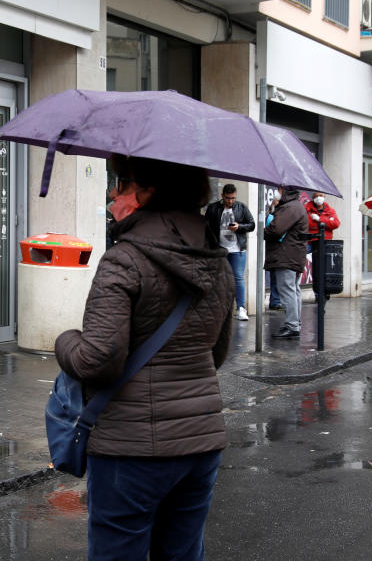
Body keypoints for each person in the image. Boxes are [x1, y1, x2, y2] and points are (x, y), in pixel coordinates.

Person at [55, 155, 234, 561]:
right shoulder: (217, 261)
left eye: (121, 183)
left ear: (147, 192)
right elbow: (216, 353)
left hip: (130, 449)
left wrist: (64, 340)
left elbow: (96, 360)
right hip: (201, 440)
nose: (114, 193)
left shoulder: (124, 260)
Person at [205, 184, 255, 320]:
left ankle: (240, 308)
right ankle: (219, 308)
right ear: (222, 196)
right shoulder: (213, 208)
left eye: (233, 198)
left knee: (238, 278)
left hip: (237, 249)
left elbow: (252, 224)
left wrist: (239, 227)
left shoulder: (241, 207)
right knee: (219, 278)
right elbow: (206, 226)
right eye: (228, 198)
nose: (231, 201)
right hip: (219, 249)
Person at [265, 186, 309, 339]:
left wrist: (264, 229)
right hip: (293, 255)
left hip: (286, 255)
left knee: (287, 290)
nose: (277, 191)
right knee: (294, 289)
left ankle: (292, 325)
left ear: (286, 191)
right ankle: (295, 323)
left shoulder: (290, 208)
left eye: (279, 189)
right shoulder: (295, 206)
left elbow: (276, 229)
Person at [305, 192, 340, 302]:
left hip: (325, 242)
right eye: (315, 196)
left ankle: (325, 291)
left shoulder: (330, 210)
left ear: (324, 197)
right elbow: (308, 223)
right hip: (311, 241)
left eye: (320, 195)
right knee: (315, 269)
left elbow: (336, 224)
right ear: (313, 197)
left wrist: (320, 220)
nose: (318, 198)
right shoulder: (307, 208)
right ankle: (318, 293)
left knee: (324, 268)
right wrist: (326, 222)